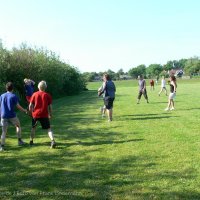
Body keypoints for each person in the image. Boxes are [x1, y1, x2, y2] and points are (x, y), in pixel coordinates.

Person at [0, 82, 27, 151]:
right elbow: (18, 106)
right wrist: (24, 110)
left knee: (4, 131)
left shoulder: (2, 96)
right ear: (12, 89)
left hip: (3, 116)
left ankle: (2, 147)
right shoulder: (13, 96)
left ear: (6, 88)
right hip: (12, 115)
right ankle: (19, 141)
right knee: (18, 126)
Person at [29, 80, 56, 148]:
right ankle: (52, 141)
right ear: (45, 87)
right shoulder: (47, 95)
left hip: (35, 114)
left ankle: (31, 141)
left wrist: (30, 112)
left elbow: (30, 105)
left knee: (33, 128)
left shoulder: (34, 94)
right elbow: (50, 107)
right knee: (49, 129)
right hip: (44, 114)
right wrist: (50, 114)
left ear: (38, 87)